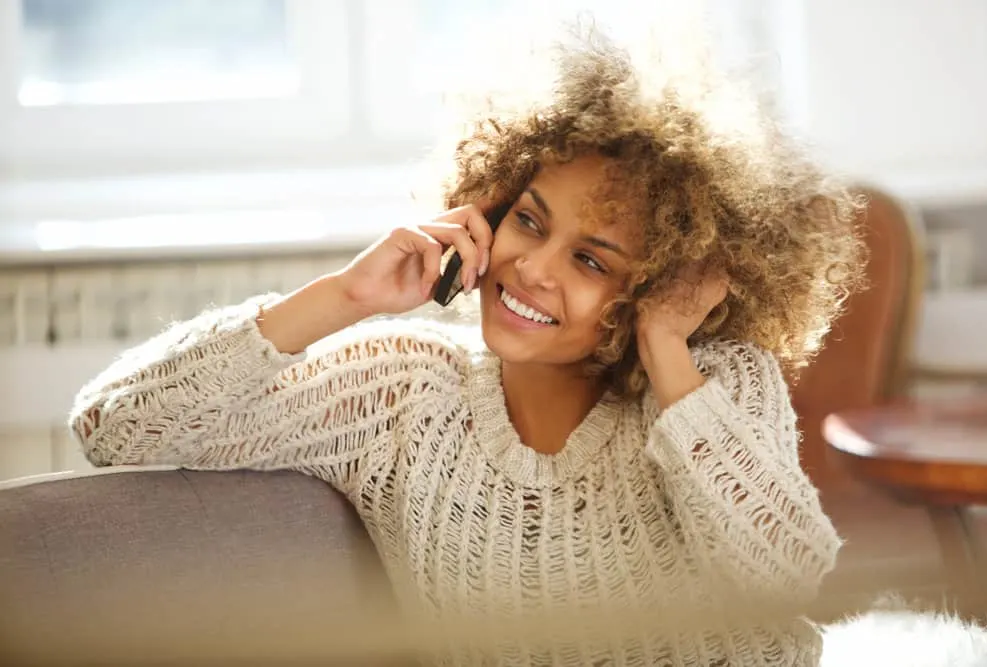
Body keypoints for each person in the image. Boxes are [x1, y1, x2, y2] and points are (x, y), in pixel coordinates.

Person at [69, 21, 864, 667]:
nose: (535, 268)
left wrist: (665, 346)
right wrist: (343, 296)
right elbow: (115, 426)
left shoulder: (712, 383)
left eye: (592, 259)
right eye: (529, 220)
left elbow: (788, 573)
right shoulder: (407, 392)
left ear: (659, 281)